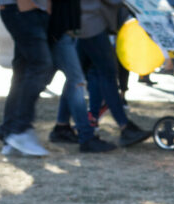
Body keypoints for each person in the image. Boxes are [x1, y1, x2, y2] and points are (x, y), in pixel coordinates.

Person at [44, 0, 119, 154]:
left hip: (65, 31)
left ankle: (61, 127)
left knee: (68, 80)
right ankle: (86, 137)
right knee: (76, 81)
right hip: (60, 31)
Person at [78, 0, 152, 147]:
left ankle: (63, 127)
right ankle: (124, 127)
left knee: (87, 74)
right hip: (91, 23)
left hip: (88, 22)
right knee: (107, 74)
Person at [0, 0, 54, 156]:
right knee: (40, 65)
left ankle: (10, 132)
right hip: (23, 9)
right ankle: (19, 130)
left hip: (26, 9)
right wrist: (28, 6)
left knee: (23, 69)